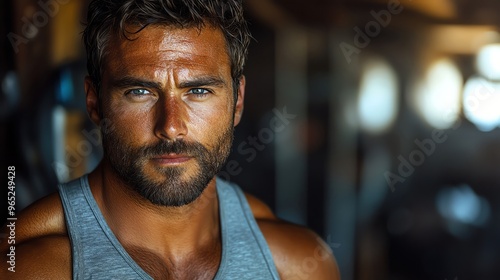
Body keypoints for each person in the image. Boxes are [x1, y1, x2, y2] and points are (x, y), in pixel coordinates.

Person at [1, 0, 340, 279]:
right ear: (94, 103)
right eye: (139, 91)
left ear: (237, 102)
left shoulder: (297, 264)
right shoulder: (24, 265)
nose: (172, 126)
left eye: (198, 91)